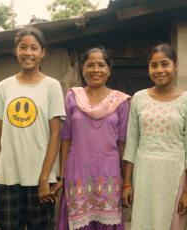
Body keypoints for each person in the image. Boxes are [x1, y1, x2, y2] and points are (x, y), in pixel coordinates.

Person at [0, 27, 66, 230]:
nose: (28, 53)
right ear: (16, 51)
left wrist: (44, 179)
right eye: (23, 47)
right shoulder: (4, 87)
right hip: (7, 178)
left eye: (34, 48)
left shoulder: (52, 86)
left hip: (40, 178)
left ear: (43, 52)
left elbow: (55, 136)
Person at [121, 44, 187, 230]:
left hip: (174, 175)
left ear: (176, 66)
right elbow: (131, 144)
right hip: (144, 175)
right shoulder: (139, 98)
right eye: (154, 65)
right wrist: (127, 183)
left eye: (165, 64)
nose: (159, 70)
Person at [55, 46, 130, 230]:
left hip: (109, 176)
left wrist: (127, 181)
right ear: (82, 69)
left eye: (101, 65)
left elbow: (123, 143)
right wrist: (61, 176)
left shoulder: (120, 101)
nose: (95, 70)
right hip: (77, 174)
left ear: (109, 70)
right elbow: (65, 138)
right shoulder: (73, 97)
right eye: (90, 65)